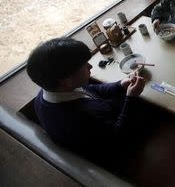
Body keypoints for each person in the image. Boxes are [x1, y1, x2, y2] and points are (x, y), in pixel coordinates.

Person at [27, 37, 148, 166]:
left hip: (107, 122)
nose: (90, 66)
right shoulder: (76, 119)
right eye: (84, 65)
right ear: (65, 80)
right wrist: (131, 98)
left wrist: (120, 85)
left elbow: (91, 90)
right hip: (117, 153)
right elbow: (118, 137)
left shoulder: (52, 91)